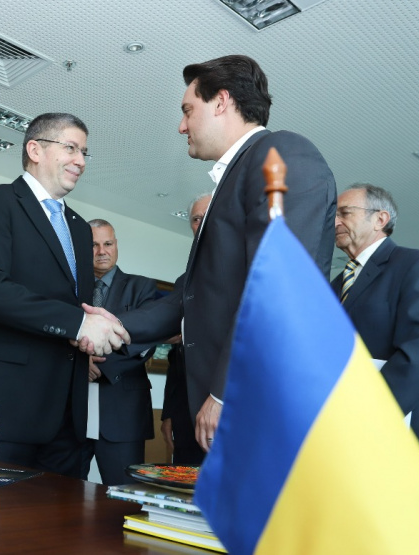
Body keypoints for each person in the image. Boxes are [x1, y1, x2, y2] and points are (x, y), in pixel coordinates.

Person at [90, 55, 337, 456]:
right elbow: (191, 300)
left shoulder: (282, 154)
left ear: (221, 102)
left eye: (188, 110)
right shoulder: (234, 179)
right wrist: (110, 324)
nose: (182, 125)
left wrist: (225, 394)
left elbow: (280, 290)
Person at [0, 113, 129, 479]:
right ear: (35, 149)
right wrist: (80, 322)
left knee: (57, 528)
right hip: (6, 404)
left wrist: (94, 326)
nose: (80, 161)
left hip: (68, 413)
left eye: (84, 152)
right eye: (71, 148)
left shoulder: (81, 229)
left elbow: (74, 306)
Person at [330, 184, 419, 550]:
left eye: (345, 212)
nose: (335, 221)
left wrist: (368, 412)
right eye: (333, 215)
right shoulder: (336, 284)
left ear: (380, 219)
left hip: (406, 417)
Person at [84, 219, 162, 485]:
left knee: (123, 499)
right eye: (93, 245)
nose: (101, 251)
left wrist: (99, 365)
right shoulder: (69, 288)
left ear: (116, 246)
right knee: (61, 495)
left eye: (108, 243)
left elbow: (146, 338)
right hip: (69, 413)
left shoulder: (141, 287)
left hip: (123, 413)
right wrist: (80, 364)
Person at [160, 193, 211, 466]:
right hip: (185, 416)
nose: (201, 223)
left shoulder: (249, 268)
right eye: (195, 219)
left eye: (208, 216)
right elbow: (177, 358)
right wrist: (170, 413)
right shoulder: (185, 281)